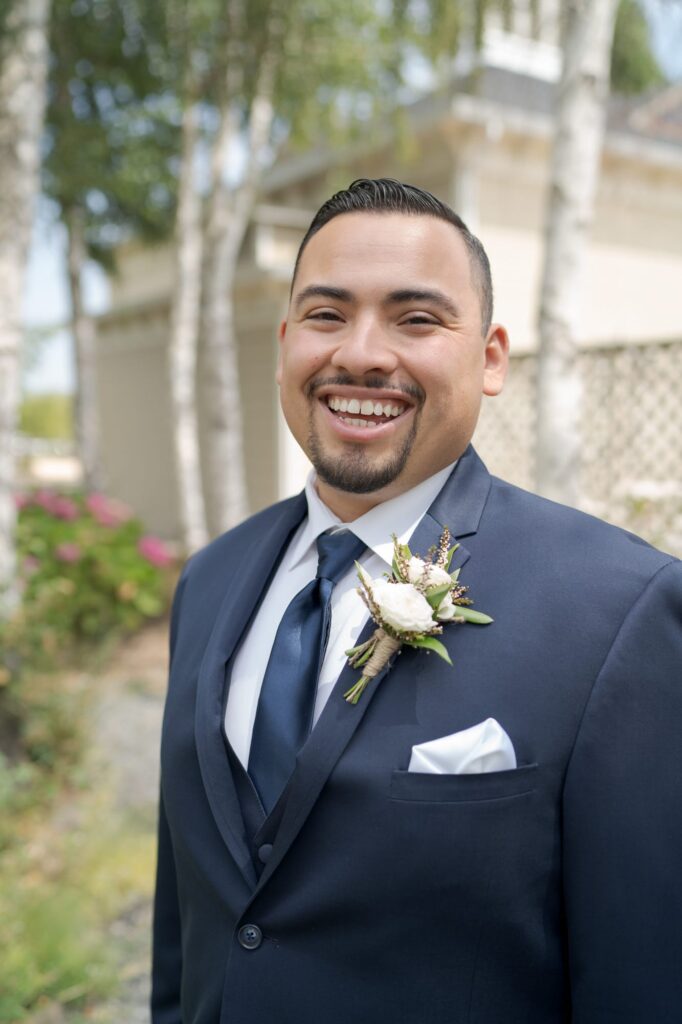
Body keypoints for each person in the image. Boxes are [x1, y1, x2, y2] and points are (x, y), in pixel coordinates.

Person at [151, 178, 682, 1024]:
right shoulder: (209, 581)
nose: (360, 353)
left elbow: (643, 980)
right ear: (286, 341)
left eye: (416, 319)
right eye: (326, 315)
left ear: (492, 357)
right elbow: (188, 926)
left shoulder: (620, 609)